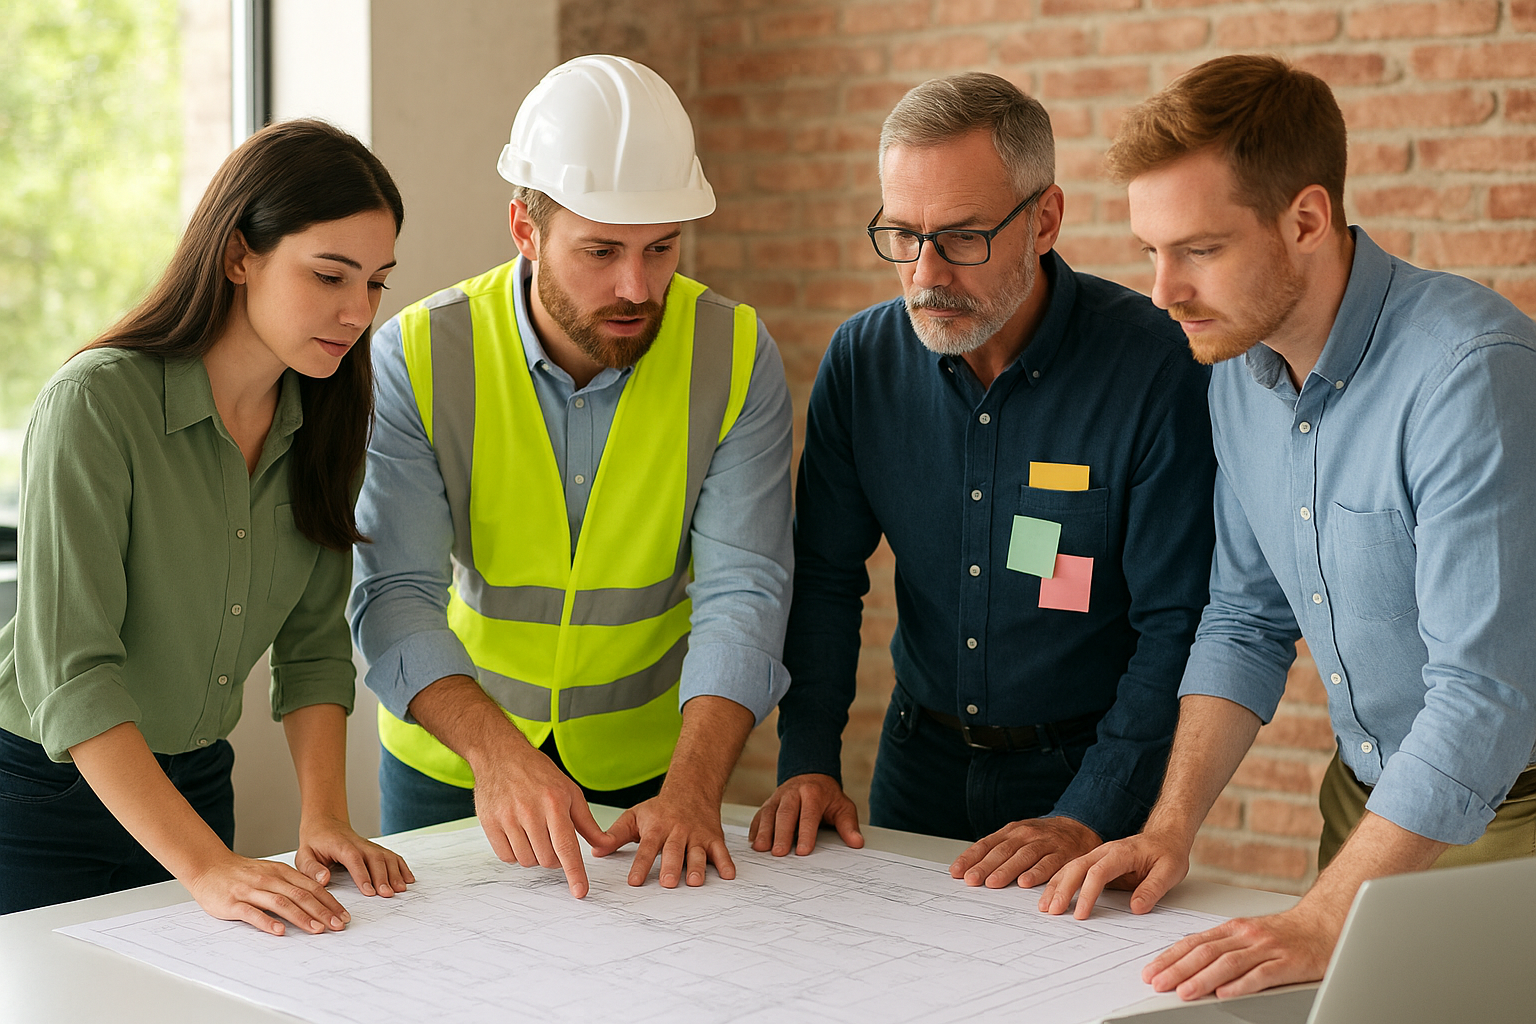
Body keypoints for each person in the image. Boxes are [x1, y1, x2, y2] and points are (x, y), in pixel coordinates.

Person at [1042, 54, 1536, 1000]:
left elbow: (1483, 700)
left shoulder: (1471, 374)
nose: (1161, 291)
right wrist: (1170, 826)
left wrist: (1323, 912)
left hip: (1511, 820)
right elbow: (1244, 619)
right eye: (1151, 250)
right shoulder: (1238, 368)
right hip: (1361, 807)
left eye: (1198, 249)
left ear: (1306, 219)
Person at [749, 72, 1216, 889]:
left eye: (963, 237)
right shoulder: (862, 364)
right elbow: (824, 579)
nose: (926, 273)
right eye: (902, 234)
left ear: (1044, 220)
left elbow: (1176, 623)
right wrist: (808, 759)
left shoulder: (1152, 367)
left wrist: (1090, 810)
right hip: (915, 765)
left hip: (1084, 774)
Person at [350, 55, 793, 900]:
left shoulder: (735, 354)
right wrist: (494, 755)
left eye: (661, 248)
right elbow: (395, 590)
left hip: (654, 773)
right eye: (600, 251)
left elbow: (746, 591)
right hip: (453, 762)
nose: (637, 287)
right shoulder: (417, 354)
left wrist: (694, 789)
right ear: (524, 228)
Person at [0, 120, 414, 932]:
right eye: (330, 275)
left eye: (375, 283)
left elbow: (314, 644)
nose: (357, 310)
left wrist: (323, 816)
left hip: (195, 784)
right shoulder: (95, 406)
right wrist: (209, 866)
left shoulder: (327, 420)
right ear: (238, 256)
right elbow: (75, 673)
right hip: (39, 799)